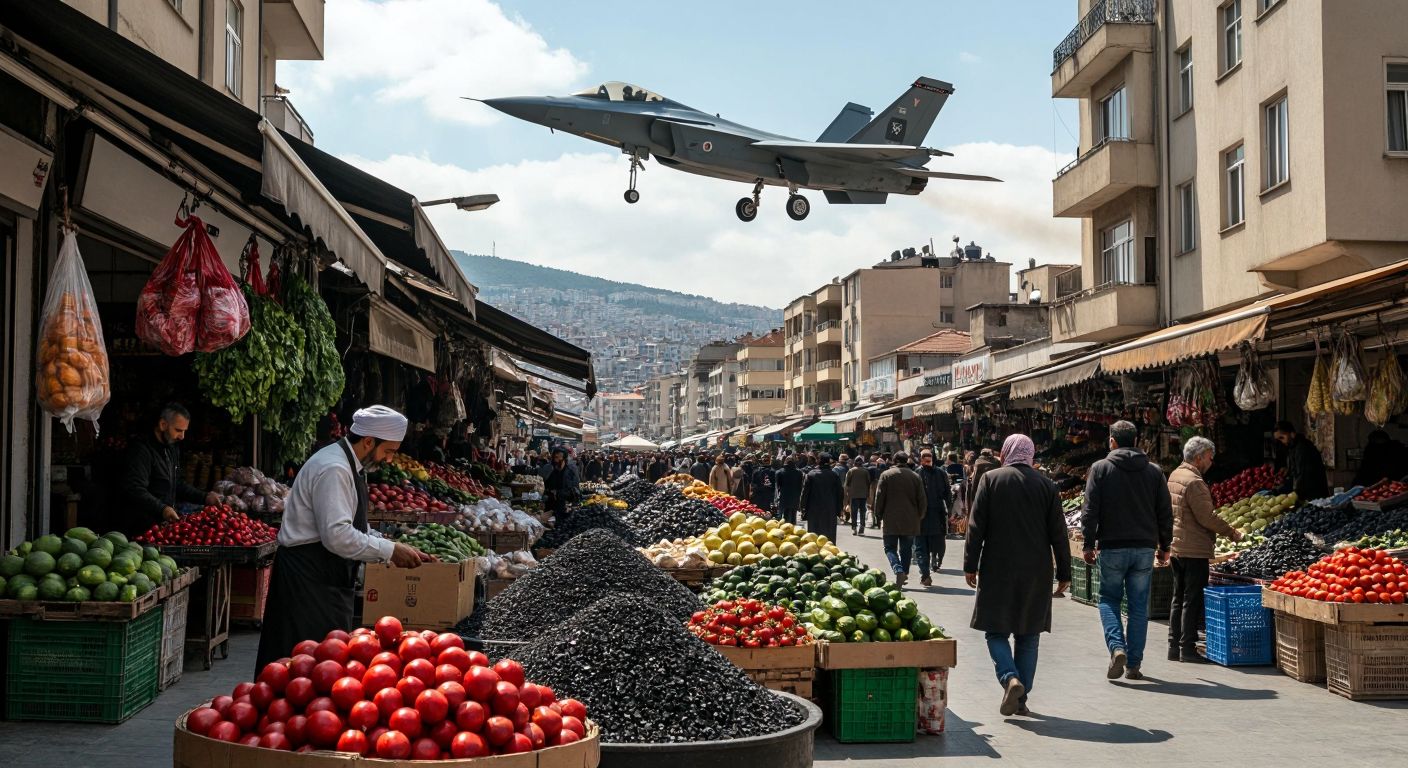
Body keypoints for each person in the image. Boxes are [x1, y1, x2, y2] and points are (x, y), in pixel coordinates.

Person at [256, 405, 433, 671]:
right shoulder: (334, 469)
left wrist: (393, 546)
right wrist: (389, 551)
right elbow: (337, 535)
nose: (388, 460)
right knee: (301, 666)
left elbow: (349, 526)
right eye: (388, 451)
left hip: (325, 574)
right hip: (308, 579)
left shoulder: (351, 466)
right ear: (369, 441)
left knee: (322, 664)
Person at [964, 433, 1071, 717]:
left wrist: (970, 564)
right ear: (1031, 454)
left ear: (1006, 452)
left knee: (995, 631)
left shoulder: (991, 479)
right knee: (1029, 635)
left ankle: (1010, 678)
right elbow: (1059, 534)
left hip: (998, 566)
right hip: (1036, 569)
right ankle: (1021, 699)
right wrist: (1064, 571)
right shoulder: (1047, 486)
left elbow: (976, 527)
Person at [1081, 420, 1173, 681]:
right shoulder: (1154, 472)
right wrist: (1165, 546)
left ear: (1112, 441)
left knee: (1108, 599)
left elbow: (1090, 512)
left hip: (1112, 547)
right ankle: (1133, 664)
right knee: (1137, 606)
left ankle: (1117, 648)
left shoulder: (1100, 469)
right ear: (1136, 441)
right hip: (1144, 548)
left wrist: (1089, 544)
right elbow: (1165, 513)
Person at [1168, 436, 1243, 663]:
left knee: (1178, 597)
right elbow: (1206, 517)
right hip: (1194, 549)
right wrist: (1232, 532)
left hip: (1177, 546)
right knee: (1192, 599)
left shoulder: (1175, 475)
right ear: (1199, 457)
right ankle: (1188, 649)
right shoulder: (1195, 482)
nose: (1211, 462)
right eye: (1210, 457)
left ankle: (1174, 646)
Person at [121, 403, 219, 535]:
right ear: (163, 425)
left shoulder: (171, 448)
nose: (182, 436)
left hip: (162, 527)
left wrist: (204, 497)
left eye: (184, 431)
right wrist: (163, 509)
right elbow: (135, 488)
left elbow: (177, 483)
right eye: (178, 430)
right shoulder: (141, 450)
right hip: (141, 528)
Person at [874, 452, 927, 588]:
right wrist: (920, 516)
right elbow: (922, 499)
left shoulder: (886, 475)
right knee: (906, 549)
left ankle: (898, 570)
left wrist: (877, 515)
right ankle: (904, 573)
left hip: (890, 518)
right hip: (910, 519)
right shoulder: (915, 477)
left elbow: (879, 497)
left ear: (894, 460)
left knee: (889, 548)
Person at [916, 449, 952, 585]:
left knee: (922, 545)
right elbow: (948, 495)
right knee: (930, 543)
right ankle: (927, 572)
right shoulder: (939, 473)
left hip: (929, 515)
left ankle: (927, 571)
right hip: (932, 515)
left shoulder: (918, 473)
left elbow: (947, 494)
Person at [1274, 420, 1330, 501]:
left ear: (1292, 433)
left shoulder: (1302, 448)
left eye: (1282, 437)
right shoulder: (1293, 447)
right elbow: (1296, 471)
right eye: (1279, 439)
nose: (1282, 442)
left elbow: (1302, 476)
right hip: (1307, 494)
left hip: (1313, 496)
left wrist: (1292, 495)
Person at [799, 452, 844, 543]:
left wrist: (802, 507)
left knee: (813, 537)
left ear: (819, 461)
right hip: (830, 510)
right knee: (829, 537)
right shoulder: (834, 475)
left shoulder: (811, 474)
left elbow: (805, 493)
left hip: (813, 510)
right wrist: (839, 510)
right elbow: (840, 493)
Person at [543, 447, 581, 516]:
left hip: (565, 506)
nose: (556, 459)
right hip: (550, 506)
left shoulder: (571, 471)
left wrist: (558, 493)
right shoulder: (550, 469)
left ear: (564, 459)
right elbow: (545, 486)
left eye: (558, 457)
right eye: (554, 457)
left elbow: (575, 490)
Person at [845, 458, 872, 536]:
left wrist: (847, 495)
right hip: (863, 495)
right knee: (862, 512)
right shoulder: (865, 471)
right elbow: (868, 483)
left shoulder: (851, 471)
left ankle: (854, 528)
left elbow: (847, 483)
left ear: (855, 463)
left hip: (854, 495)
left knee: (854, 512)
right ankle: (861, 529)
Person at [775, 457, 804, 525]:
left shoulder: (779, 472)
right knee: (793, 516)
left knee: (784, 517)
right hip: (795, 497)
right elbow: (801, 486)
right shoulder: (799, 472)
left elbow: (777, 487)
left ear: (785, 462)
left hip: (784, 497)